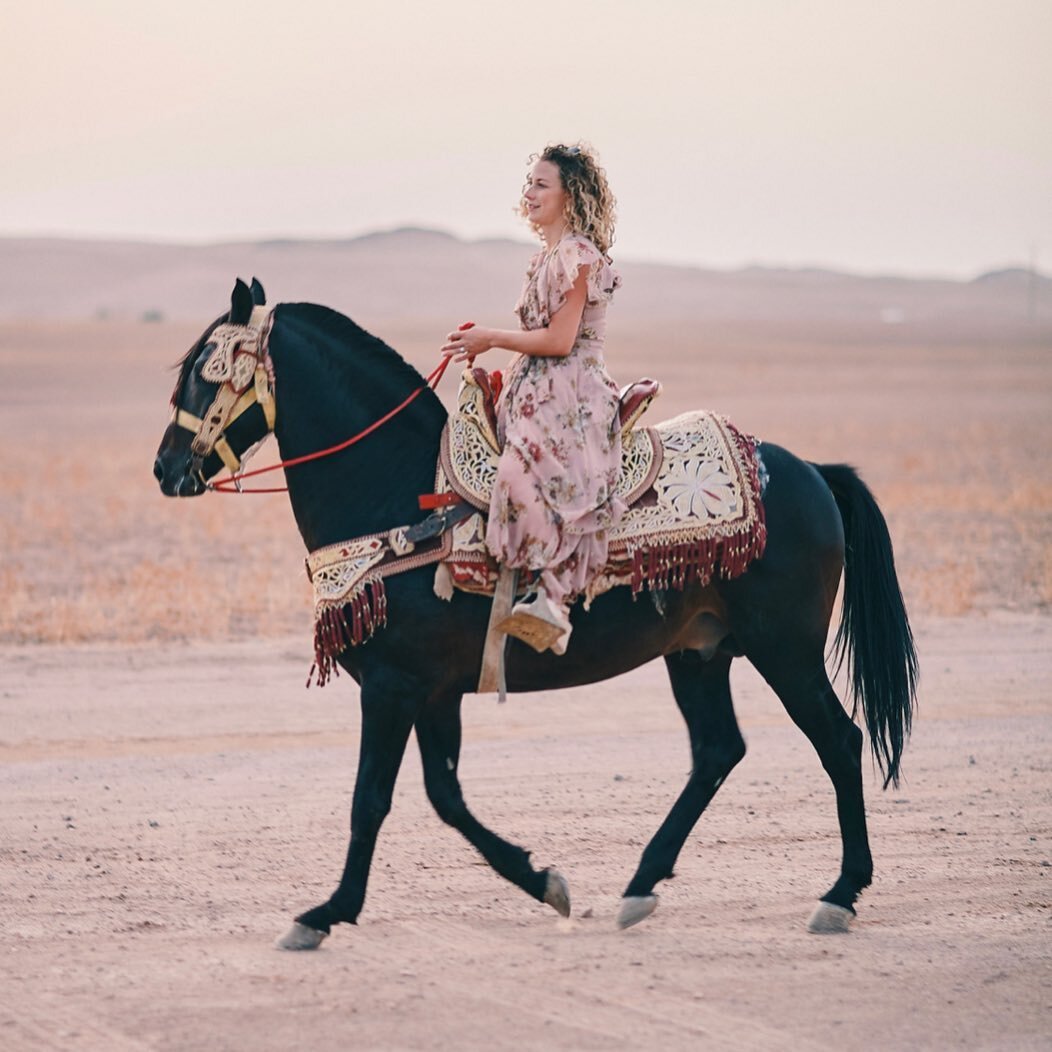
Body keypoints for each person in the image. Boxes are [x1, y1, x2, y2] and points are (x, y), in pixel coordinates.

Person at [442, 142, 625, 655]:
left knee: (521, 472)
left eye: (542, 184)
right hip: (539, 383)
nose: (530, 193)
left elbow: (561, 341)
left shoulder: (577, 256)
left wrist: (491, 338)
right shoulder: (547, 256)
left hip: (571, 388)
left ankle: (553, 596)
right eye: (530, 184)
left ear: (572, 195)